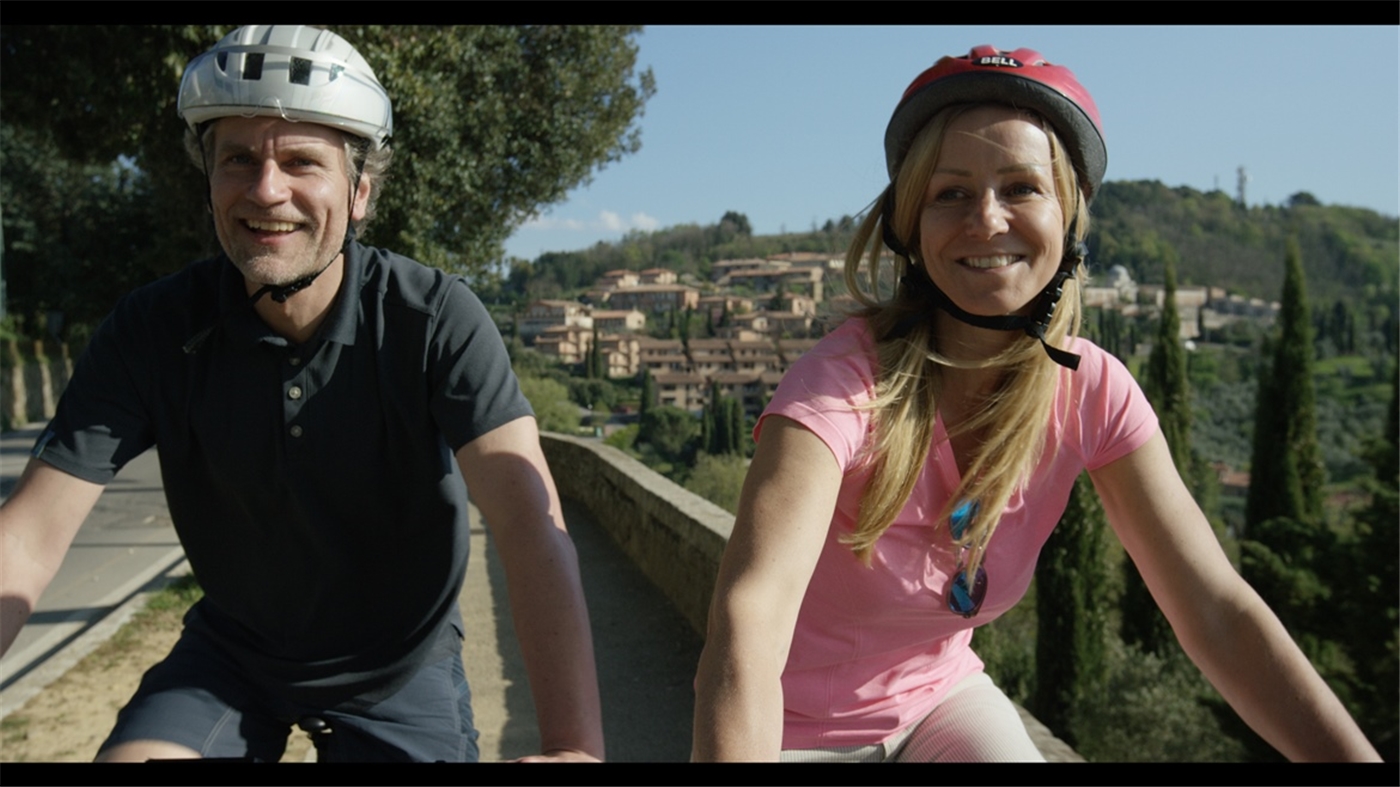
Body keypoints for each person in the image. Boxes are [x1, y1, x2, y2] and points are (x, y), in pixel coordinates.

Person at [691, 45, 1380, 763]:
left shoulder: (1091, 391)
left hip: (938, 701)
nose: (987, 220)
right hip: (793, 725)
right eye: (950, 193)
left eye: (1021, 187)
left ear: (1068, 219)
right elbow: (749, 622)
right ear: (910, 225)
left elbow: (1216, 612)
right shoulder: (840, 386)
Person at [0, 25, 603, 763]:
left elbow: (530, 526)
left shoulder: (434, 319)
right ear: (209, 180)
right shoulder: (153, 329)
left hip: (399, 664)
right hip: (232, 656)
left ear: (359, 191)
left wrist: (574, 745)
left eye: (301, 162)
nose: (266, 189)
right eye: (238, 159)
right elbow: (26, 538)